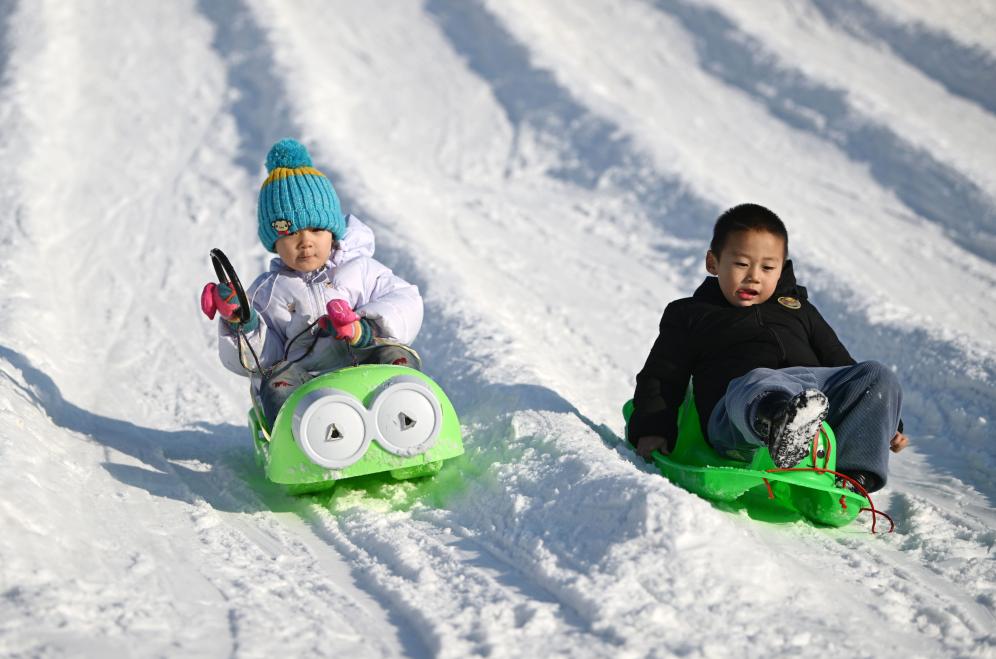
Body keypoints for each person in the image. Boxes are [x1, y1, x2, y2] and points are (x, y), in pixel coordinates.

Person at [628, 203, 908, 492]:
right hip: (738, 407)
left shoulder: (800, 310)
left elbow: (841, 364)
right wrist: (651, 429)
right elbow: (662, 376)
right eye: (741, 264)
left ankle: (851, 478)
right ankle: (778, 422)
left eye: (767, 267)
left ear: (781, 270)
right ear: (713, 263)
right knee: (760, 378)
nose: (754, 276)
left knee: (876, 373)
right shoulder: (691, 314)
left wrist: (886, 420)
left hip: (811, 396)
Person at [200, 138, 423, 422]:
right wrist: (241, 323)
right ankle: (296, 438)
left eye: (317, 229)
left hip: (365, 366)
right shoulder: (268, 291)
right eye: (291, 233)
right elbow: (260, 359)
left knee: (397, 357)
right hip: (307, 384)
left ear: (333, 231)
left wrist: (364, 328)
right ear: (274, 242)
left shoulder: (362, 269)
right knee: (276, 379)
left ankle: (407, 419)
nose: (305, 242)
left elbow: (406, 301)